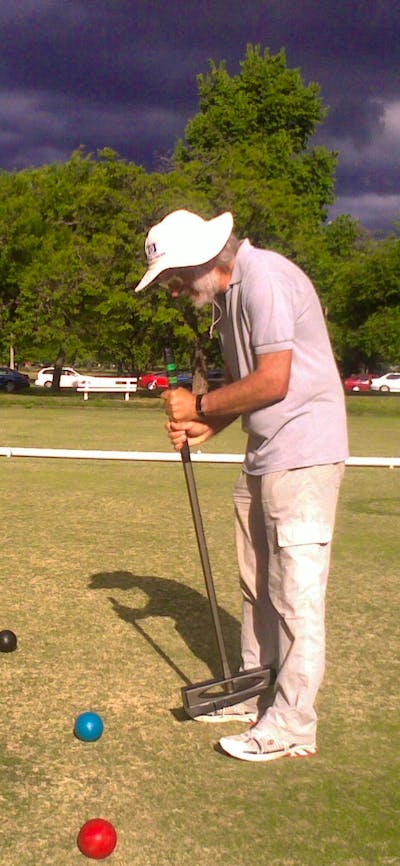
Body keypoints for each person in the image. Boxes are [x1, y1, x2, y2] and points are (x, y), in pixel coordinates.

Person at [134, 209, 348, 762]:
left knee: (294, 597)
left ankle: (293, 723)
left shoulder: (266, 279)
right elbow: (249, 388)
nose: (176, 292)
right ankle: (255, 694)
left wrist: (199, 403)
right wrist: (208, 423)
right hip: (265, 455)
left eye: (175, 279)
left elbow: (275, 380)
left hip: (304, 456)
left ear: (203, 260)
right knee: (256, 586)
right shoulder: (227, 305)